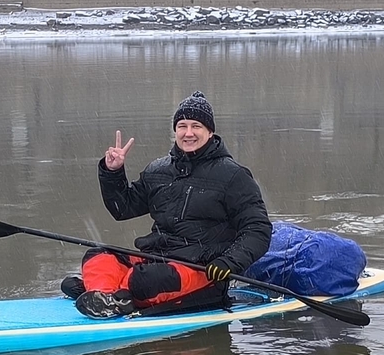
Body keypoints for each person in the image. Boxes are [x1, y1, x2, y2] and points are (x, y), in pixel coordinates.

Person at [66, 91, 273, 319]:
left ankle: (113, 294)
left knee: (144, 280)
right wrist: (112, 172)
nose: (188, 133)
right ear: (175, 131)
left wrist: (228, 262)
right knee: (98, 255)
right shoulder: (158, 170)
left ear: (210, 132)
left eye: (196, 126)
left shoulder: (234, 176)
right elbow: (122, 208)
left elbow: (258, 229)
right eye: (182, 126)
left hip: (202, 269)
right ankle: (102, 295)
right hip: (157, 256)